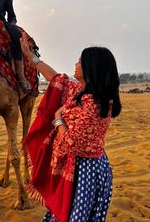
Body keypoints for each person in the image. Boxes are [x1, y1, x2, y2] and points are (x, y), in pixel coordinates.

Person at [21, 35, 122, 222]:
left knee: (76, 216)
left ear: (90, 69)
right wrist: (31, 57)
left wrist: (58, 118)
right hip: (79, 167)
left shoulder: (94, 104)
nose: (75, 64)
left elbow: (71, 143)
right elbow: (57, 79)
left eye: (79, 61)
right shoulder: (82, 93)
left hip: (86, 172)